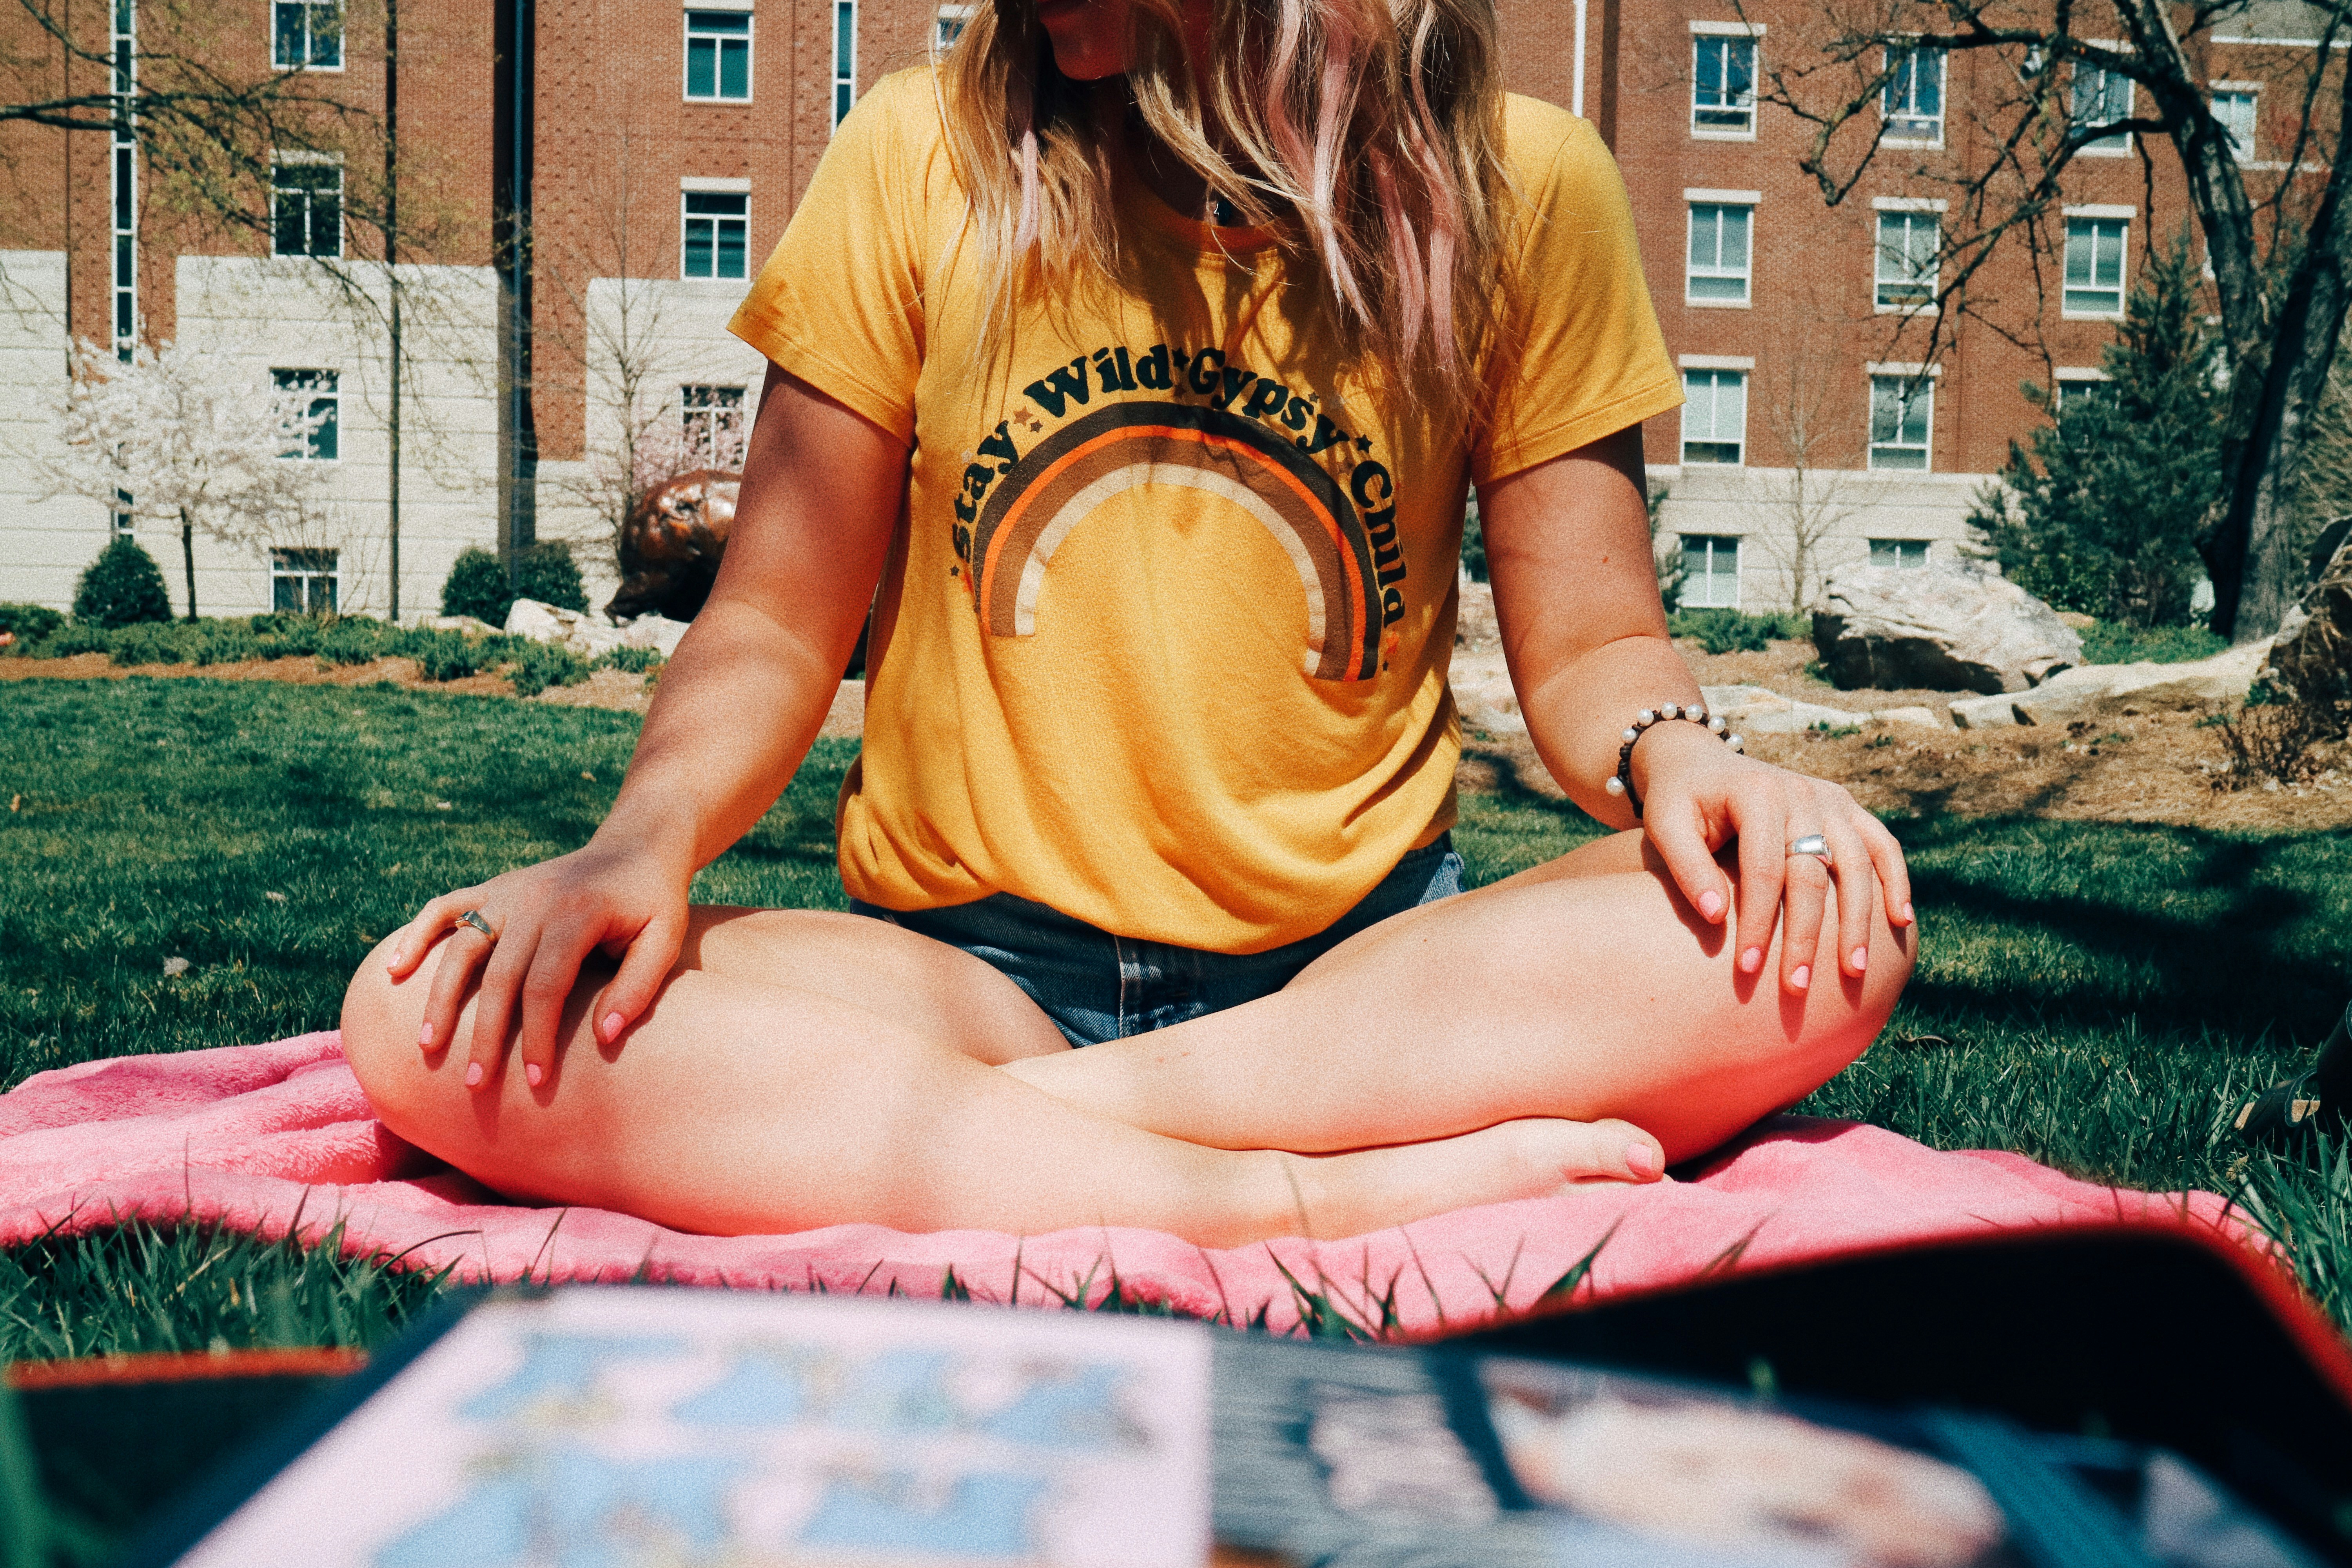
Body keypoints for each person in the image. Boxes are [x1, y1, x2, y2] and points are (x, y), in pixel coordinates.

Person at [341, 0, 1916, 1249]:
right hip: (973, 971)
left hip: (1365, 990)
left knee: (1834, 928)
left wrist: (1680, 755)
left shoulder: (1525, 188)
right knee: (423, 1015)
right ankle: (1296, 1197)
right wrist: (644, 842)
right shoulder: (914, 158)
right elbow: (769, 617)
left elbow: (1590, 647)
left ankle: (997, 1138)